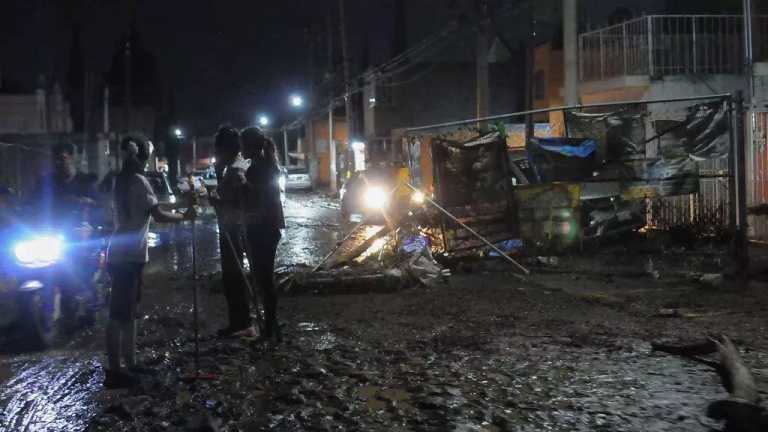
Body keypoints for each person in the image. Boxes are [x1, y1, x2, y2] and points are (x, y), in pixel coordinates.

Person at [104, 136, 195, 388]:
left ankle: (129, 363)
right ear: (143, 157)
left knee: (128, 312)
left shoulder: (122, 181)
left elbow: (149, 207)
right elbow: (158, 214)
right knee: (119, 314)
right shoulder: (139, 181)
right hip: (129, 256)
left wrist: (178, 211)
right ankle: (114, 371)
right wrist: (183, 217)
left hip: (122, 253)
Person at [210, 126, 254, 338]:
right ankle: (239, 322)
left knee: (233, 278)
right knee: (232, 278)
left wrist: (214, 197)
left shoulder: (236, 170)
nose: (217, 154)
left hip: (234, 229)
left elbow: (229, 200)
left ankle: (242, 323)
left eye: (218, 150)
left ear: (225, 149)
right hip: (233, 227)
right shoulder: (235, 166)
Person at [241, 127, 285, 343]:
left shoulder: (263, 168)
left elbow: (264, 196)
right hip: (263, 227)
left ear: (253, 146)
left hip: (264, 228)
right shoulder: (260, 166)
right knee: (263, 278)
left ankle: (270, 328)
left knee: (264, 279)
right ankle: (271, 326)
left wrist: (244, 187)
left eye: (243, 144)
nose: (241, 149)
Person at [30, 142, 97, 225]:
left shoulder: (84, 181)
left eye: (62, 158)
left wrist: (79, 201)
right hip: (51, 230)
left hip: (79, 230)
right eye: (55, 159)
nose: (58, 163)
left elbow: (97, 206)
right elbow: (32, 203)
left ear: (71, 158)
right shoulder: (45, 182)